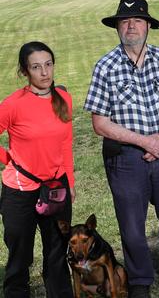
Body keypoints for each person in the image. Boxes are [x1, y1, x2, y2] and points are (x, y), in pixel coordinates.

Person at [84, 0, 159, 298]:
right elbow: (100, 123)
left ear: (148, 25)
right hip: (126, 156)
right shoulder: (105, 66)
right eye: (124, 21)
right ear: (117, 28)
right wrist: (143, 141)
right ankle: (140, 277)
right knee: (131, 220)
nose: (131, 26)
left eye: (137, 20)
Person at [0, 41, 75, 298]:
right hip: (20, 191)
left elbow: (65, 142)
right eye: (36, 67)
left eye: (48, 65)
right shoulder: (13, 104)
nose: (44, 73)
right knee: (20, 256)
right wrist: (8, 158)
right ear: (24, 71)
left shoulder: (63, 98)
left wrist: (70, 182)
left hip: (56, 187)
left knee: (57, 251)